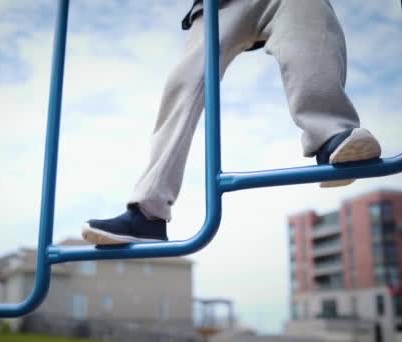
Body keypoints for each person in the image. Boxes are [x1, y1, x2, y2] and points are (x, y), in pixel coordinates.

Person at [81, 0, 381, 245]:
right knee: (185, 80)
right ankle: (147, 214)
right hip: (219, 5)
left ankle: (332, 136)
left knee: (310, 22)